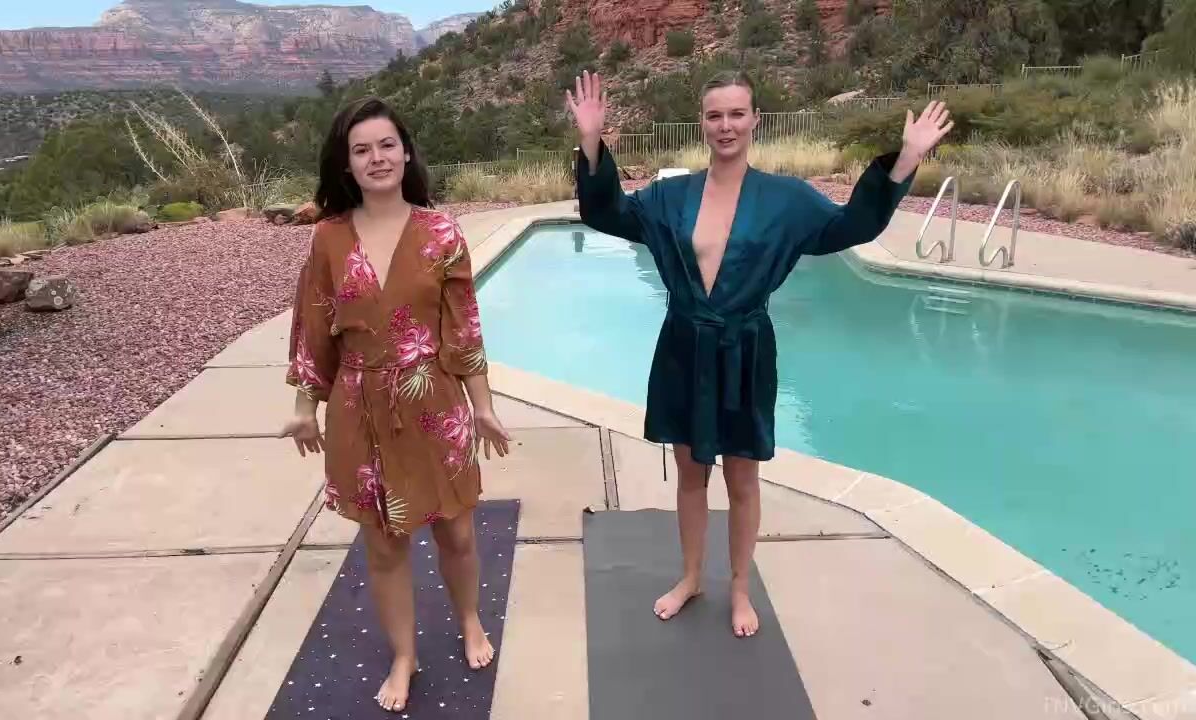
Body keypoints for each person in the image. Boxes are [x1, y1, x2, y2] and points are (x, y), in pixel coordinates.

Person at [566, 70, 952, 638]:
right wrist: (592, 142)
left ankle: (741, 588)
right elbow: (607, 212)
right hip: (685, 347)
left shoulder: (785, 200)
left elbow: (850, 226)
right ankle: (691, 577)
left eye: (736, 114)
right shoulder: (671, 197)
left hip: (744, 349)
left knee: (742, 478)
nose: (726, 125)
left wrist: (906, 160)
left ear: (755, 121)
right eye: (714, 115)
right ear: (702, 123)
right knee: (691, 474)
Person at [281, 96, 512, 713]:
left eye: (386, 145)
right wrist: (305, 406)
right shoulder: (328, 238)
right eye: (361, 150)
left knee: (456, 530)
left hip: (433, 398)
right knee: (384, 545)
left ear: (406, 153)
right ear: (346, 164)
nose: (376, 158)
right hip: (359, 406)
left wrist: (483, 405)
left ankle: (470, 619)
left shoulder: (441, 232)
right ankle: (404, 656)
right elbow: (314, 326)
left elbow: (464, 328)